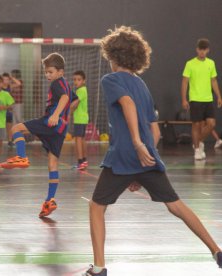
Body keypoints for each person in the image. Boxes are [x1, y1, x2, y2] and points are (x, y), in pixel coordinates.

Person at [85, 26, 222, 276]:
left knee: (96, 206)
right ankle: (216, 250)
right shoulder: (141, 84)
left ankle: (99, 267)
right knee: (176, 205)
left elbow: (126, 104)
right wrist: (144, 163)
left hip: (125, 155)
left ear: (114, 56)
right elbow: (156, 131)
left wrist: (136, 144)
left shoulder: (111, 80)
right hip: (147, 158)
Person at [1, 53, 77, 218]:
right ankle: (50, 200)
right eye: (46, 72)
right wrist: (66, 115)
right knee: (52, 163)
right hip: (61, 130)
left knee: (16, 129)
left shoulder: (57, 84)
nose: (47, 75)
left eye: (50, 72)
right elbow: (73, 99)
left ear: (60, 72)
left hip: (50, 123)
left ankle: (22, 156)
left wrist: (56, 114)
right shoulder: (66, 84)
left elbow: (64, 98)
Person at [181, 38, 222, 160]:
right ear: (197, 50)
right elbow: (184, 82)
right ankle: (197, 150)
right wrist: (184, 99)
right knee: (196, 125)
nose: (202, 52)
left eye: (205, 50)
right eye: (200, 49)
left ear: (208, 50)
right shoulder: (190, 64)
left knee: (211, 124)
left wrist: (219, 96)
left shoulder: (211, 63)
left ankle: (197, 143)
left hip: (208, 99)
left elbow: (213, 81)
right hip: (195, 99)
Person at [69, 70, 89, 170]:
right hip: (83, 118)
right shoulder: (83, 90)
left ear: (84, 81)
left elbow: (75, 104)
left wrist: (68, 112)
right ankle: (84, 161)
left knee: (78, 139)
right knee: (82, 139)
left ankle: (80, 161)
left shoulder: (81, 90)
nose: (76, 82)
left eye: (79, 79)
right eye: (74, 80)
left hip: (80, 119)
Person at [2, 72, 14, 146]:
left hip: (8, 109)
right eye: (4, 79)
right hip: (1, 109)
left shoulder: (10, 87)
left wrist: (11, 77)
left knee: (9, 126)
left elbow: (18, 83)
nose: (5, 81)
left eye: (7, 79)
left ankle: (10, 141)